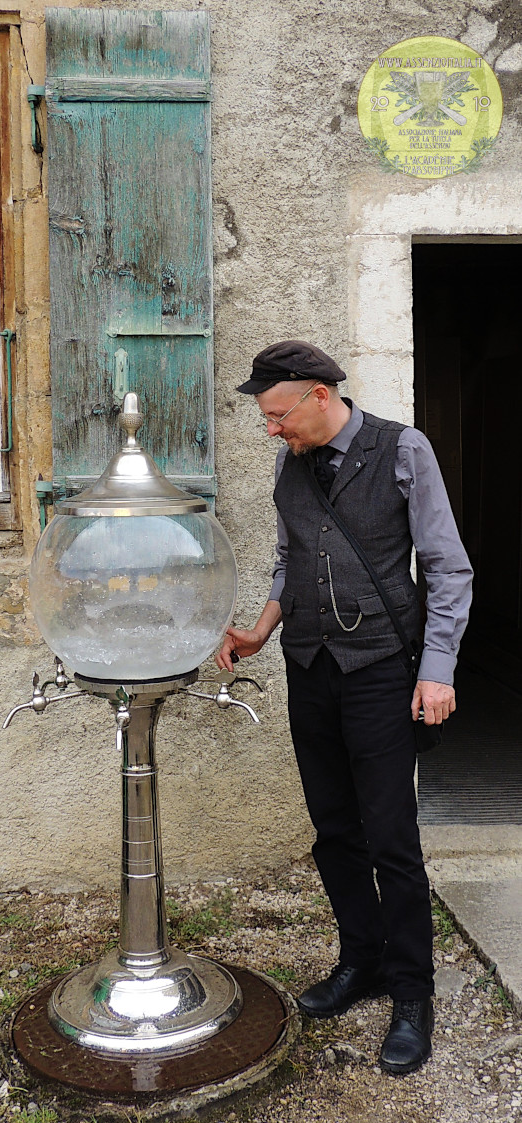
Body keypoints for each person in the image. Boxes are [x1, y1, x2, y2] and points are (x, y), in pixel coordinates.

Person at [218, 340, 472, 1075]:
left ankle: (412, 994)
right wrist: (261, 631)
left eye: (276, 415)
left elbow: (449, 569)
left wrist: (437, 671)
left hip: (384, 673)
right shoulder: (288, 463)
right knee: (334, 830)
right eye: (264, 418)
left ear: (319, 395)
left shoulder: (403, 449)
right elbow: (289, 558)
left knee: (390, 834)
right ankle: (360, 960)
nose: (270, 429)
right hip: (311, 668)